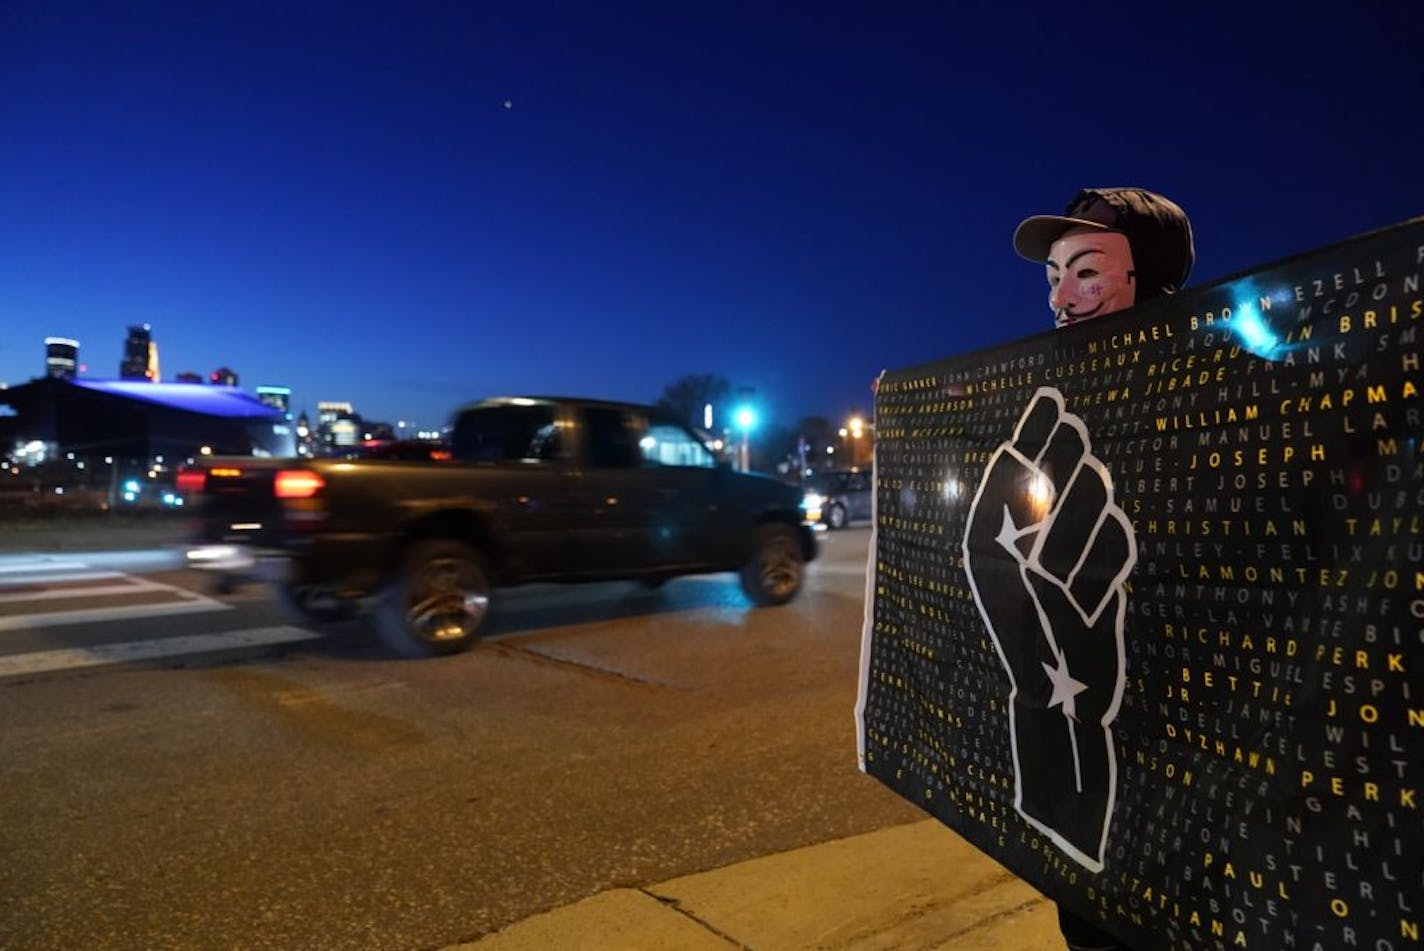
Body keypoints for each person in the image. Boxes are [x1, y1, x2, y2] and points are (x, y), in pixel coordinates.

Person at [1009, 186, 1194, 951]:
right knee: (1089, 920)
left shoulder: (1224, 386)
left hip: (1189, 750)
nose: (1060, 296)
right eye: (1052, 274)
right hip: (1090, 740)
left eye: (1085, 271)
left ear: (1145, 278)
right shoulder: (1048, 405)